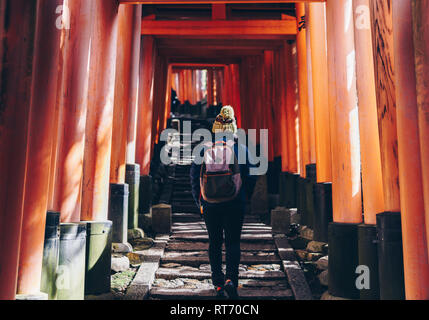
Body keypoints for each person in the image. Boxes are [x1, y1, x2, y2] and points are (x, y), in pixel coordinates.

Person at [190, 106, 257, 300]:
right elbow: (252, 176)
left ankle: (218, 283)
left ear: (215, 128)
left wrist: (199, 201)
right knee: (233, 242)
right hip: (235, 202)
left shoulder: (203, 148)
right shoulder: (242, 148)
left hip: (210, 203)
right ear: (234, 128)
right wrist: (245, 197)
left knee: (215, 242)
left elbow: (194, 177)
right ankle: (231, 281)